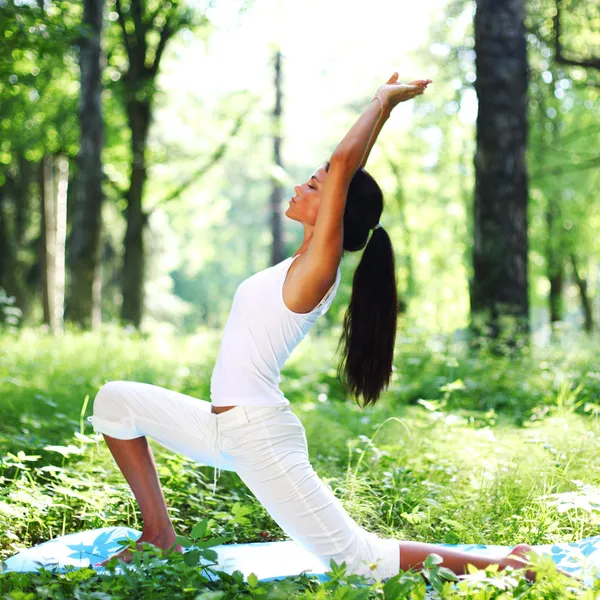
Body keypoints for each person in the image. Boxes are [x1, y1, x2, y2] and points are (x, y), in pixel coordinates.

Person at [89, 72, 537, 583]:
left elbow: (344, 169)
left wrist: (379, 100)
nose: (303, 185)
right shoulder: (300, 261)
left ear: (333, 210)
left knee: (359, 563)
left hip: (257, 436)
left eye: (315, 185)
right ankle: (159, 535)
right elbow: (347, 171)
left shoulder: (317, 271)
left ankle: (506, 564)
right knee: (114, 402)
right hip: (220, 428)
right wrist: (383, 116)